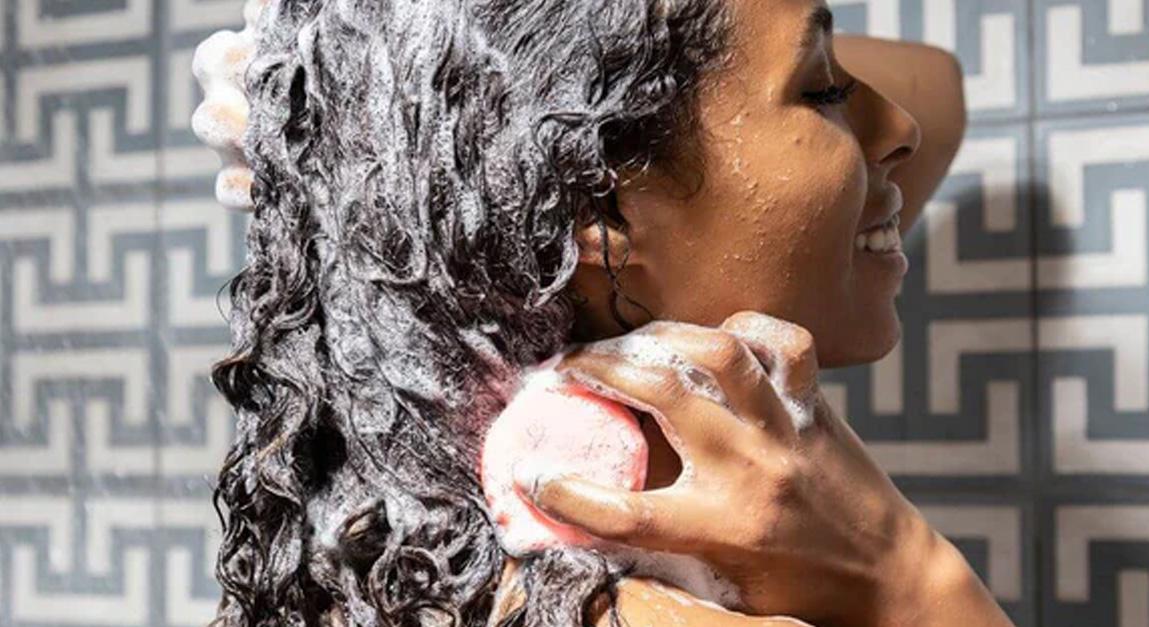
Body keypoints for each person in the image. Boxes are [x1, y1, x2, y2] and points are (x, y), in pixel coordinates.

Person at [202, 0, 1010, 625]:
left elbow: (935, 92)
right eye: (825, 89)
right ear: (592, 201)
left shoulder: (386, 554)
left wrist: (383, 90)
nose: (897, 126)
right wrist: (901, 569)